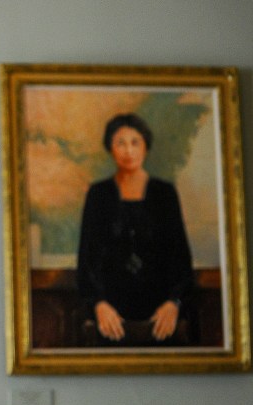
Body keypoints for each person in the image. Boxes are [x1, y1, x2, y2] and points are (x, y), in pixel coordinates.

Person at [76, 113, 194, 346]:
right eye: (120, 143)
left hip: (160, 313)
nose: (128, 151)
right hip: (110, 314)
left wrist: (174, 303)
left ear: (145, 147)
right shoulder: (98, 195)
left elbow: (181, 258)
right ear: (110, 149)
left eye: (135, 143)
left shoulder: (164, 193)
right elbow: (87, 260)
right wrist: (99, 304)